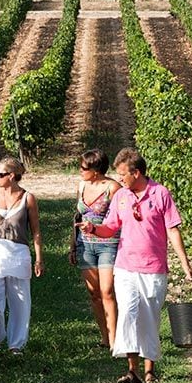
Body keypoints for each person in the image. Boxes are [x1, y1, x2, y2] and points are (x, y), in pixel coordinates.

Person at [77, 148, 192, 383]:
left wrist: (184, 262)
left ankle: (150, 369)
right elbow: (110, 227)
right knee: (128, 314)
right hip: (125, 266)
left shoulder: (160, 194)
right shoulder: (121, 197)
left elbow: (172, 229)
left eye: (123, 175)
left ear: (136, 173)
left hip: (153, 267)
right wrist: (93, 229)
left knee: (149, 317)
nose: (119, 179)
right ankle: (132, 370)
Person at [0, 157, 44, 356]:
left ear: (11, 176)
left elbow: (36, 231)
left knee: (20, 300)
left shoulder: (27, 198)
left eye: (0, 174)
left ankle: (16, 344)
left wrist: (39, 258)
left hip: (17, 253)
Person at [68, 149, 120, 349]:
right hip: (85, 244)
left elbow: (119, 219)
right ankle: (104, 338)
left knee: (107, 291)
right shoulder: (81, 186)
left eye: (83, 168)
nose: (80, 171)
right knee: (93, 293)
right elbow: (77, 217)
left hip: (108, 244)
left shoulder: (113, 188)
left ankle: (115, 339)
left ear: (96, 170)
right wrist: (73, 246)